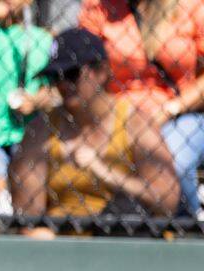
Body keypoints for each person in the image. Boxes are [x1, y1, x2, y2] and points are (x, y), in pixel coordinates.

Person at [10, 27, 179, 235]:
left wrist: (105, 172)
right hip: (63, 246)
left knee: (128, 211)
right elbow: (27, 216)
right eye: (56, 76)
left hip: (123, 241)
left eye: (71, 74)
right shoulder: (42, 129)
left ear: (101, 71)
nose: (63, 84)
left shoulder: (135, 123)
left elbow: (167, 202)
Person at [79, 0, 204, 218]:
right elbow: (82, 62)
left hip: (181, 113)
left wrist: (174, 107)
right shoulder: (99, 8)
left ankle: (189, 225)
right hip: (118, 115)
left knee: (171, 161)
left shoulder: (191, 5)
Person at [0, 0, 56, 212]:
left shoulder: (43, 38)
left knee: (27, 198)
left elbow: (48, 88)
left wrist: (33, 101)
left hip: (26, 131)